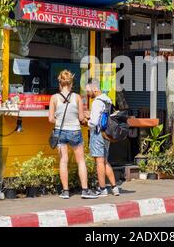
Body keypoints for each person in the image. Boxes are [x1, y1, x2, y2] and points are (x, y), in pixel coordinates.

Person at [48, 70, 98, 199]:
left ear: (60, 83)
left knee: (63, 161)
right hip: (75, 131)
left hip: (60, 131)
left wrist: (58, 120)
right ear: (71, 83)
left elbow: (50, 119)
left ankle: (65, 192)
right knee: (80, 161)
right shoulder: (77, 97)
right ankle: (85, 190)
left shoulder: (54, 98)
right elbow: (81, 117)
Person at [86, 79, 120, 196]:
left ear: (94, 88)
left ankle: (102, 189)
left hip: (98, 134)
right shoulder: (107, 99)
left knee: (99, 162)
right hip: (106, 134)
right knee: (105, 161)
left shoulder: (96, 102)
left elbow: (94, 122)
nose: (87, 93)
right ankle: (114, 188)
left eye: (88, 90)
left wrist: (87, 122)